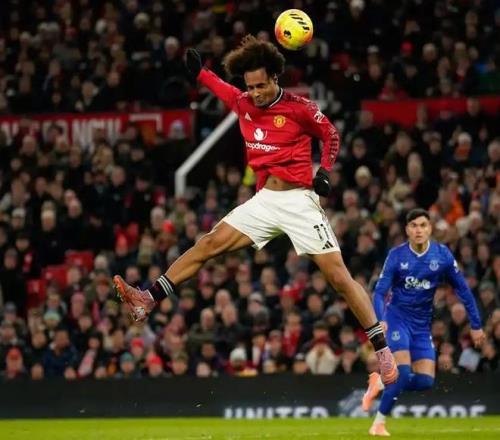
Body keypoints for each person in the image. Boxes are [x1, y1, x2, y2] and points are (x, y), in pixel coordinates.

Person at [113, 35, 398, 384]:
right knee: (208, 244)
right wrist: (200, 73)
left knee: (339, 277)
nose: (255, 93)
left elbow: (331, 135)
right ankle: (148, 298)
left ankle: (382, 350)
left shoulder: (299, 108)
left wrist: (324, 171)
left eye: (261, 86)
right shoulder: (243, 102)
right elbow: (221, 88)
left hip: (299, 201)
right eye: (250, 87)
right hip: (264, 201)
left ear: (275, 78)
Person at [362, 208, 485, 436]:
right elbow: (379, 292)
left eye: (423, 225)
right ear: (407, 230)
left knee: (425, 381)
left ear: (430, 229)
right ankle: (378, 424)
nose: (418, 230)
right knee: (402, 372)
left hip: (421, 324)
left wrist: (476, 325)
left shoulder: (442, 255)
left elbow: (464, 290)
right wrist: (381, 320)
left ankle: (378, 383)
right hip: (397, 319)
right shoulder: (397, 255)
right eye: (413, 226)